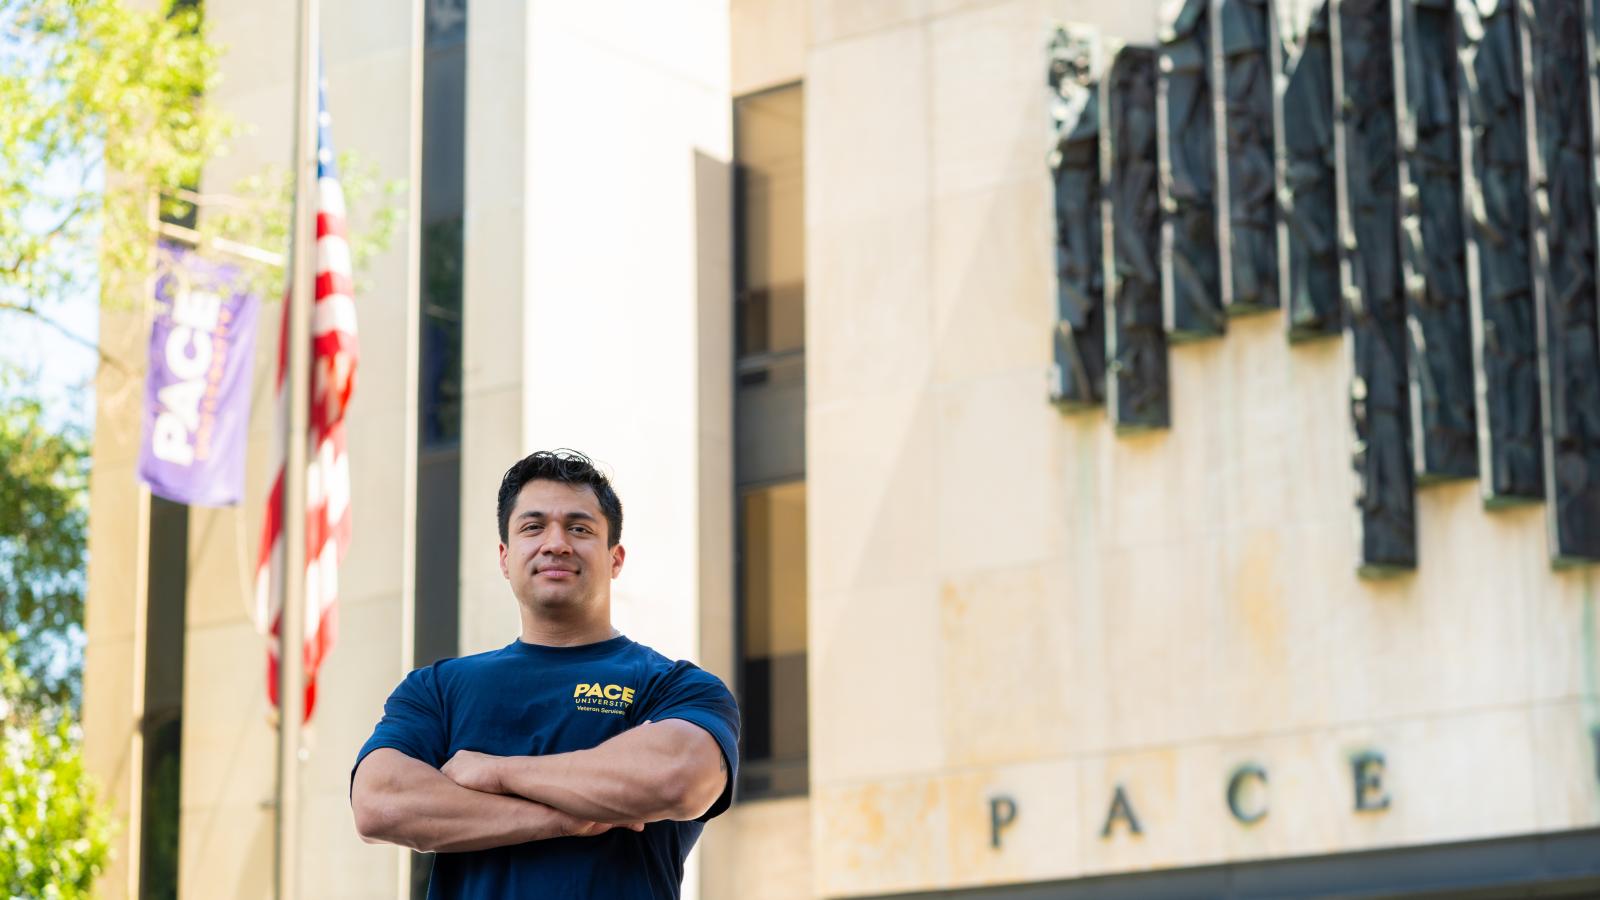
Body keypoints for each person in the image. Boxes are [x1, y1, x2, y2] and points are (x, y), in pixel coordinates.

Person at [351, 449, 739, 898]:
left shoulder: (675, 687)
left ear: (616, 558)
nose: (556, 543)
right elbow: (379, 804)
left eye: (580, 528)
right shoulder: (437, 689)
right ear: (504, 557)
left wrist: (493, 773)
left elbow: (680, 777)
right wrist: (567, 818)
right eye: (533, 527)